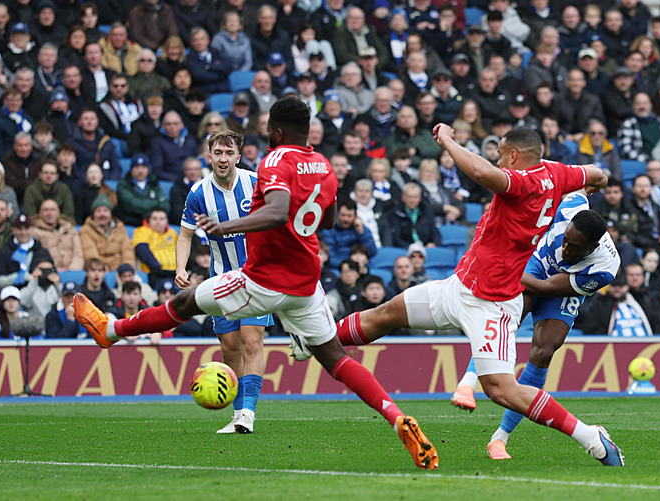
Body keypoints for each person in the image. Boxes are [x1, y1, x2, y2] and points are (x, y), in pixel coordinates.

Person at [73, 97, 440, 470]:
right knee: (336, 359)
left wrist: (226, 227)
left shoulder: (273, 162)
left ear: (276, 132)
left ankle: (111, 330)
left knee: (186, 303)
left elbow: (277, 211)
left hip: (262, 280)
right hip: (306, 284)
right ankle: (397, 418)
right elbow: (327, 221)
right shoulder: (323, 164)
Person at [327, 124, 621, 465]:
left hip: (492, 303)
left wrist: (448, 141)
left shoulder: (521, 183)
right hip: (459, 286)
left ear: (514, 155)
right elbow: (597, 173)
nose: (498, 161)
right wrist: (597, 182)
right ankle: (317, 339)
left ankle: (590, 437)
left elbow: (481, 172)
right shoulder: (559, 174)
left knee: (501, 390)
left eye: (501, 155)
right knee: (386, 314)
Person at [448, 193, 620, 461]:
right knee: (508, 319)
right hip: (536, 263)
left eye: (574, 247)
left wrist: (506, 271)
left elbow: (545, 288)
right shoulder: (572, 206)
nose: (565, 249)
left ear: (592, 246)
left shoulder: (604, 268)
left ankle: (500, 438)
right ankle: (467, 384)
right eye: (565, 240)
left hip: (559, 285)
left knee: (544, 351)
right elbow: (573, 183)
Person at [174, 129, 274, 432]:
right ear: (209, 156)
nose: (223, 158)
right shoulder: (198, 193)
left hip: (256, 276)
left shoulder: (255, 183)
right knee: (230, 347)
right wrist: (180, 268)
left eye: (229, 153)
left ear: (238, 157)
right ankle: (238, 412)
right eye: (218, 153)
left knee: (251, 341)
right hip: (222, 280)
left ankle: (248, 414)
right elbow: (185, 235)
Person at [0, 214, 54, 288]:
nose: (23, 232)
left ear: (32, 229)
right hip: (11, 291)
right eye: (19, 228)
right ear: (13, 230)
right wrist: (21, 277)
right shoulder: (3, 252)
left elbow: (53, 275)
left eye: (26, 228)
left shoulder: (42, 252)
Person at [79, 194, 134, 271]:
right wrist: (102, 271)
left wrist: (126, 271)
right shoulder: (86, 230)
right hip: (98, 272)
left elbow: (127, 252)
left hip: (120, 271)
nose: (102, 214)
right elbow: (90, 254)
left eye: (105, 210)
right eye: (98, 211)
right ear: (93, 214)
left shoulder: (120, 229)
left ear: (110, 213)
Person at [116, 154, 170, 227]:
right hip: (131, 223)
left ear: (148, 169)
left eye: (143, 167)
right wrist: (155, 203)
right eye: (137, 167)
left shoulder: (154, 183)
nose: (140, 171)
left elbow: (165, 205)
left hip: (153, 224)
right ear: (131, 170)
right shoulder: (123, 184)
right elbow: (134, 205)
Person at [321, 199, 378, 268]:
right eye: (343, 215)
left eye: (349, 216)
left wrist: (361, 233)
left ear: (355, 216)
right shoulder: (329, 230)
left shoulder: (363, 230)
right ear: (338, 214)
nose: (345, 219)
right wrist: (348, 265)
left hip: (360, 266)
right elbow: (329, 255)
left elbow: (372, 252)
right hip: (338, 267)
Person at [32, 199, 84, 272]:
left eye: (53, 209)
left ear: (58, 212)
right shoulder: (34, 232)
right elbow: (37, 257)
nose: (49, 213)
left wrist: (70, 271)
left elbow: (78, 254)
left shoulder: (70, 229)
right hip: (49, 272)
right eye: (46, 210)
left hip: (72, 271)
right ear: (40, 213)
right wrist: (52, 270)